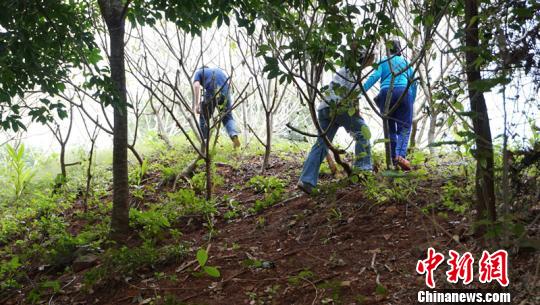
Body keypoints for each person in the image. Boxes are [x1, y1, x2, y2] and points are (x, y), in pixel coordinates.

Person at [297, 52, 375, 195]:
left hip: (324, 108)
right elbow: (354, 100)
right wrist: (355, 120)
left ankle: (306, 180)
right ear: (365, 58)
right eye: (371, 58)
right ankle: (363, 170)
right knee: (363, 132)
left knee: (321, 144)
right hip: (340, 107)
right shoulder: (355, 72)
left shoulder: (344, 69)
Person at [363, 40, 417, 170]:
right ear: (399, 50)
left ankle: (393, 159)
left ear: (388, 50)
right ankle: (400, 156)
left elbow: (374, 77)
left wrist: (361, 90)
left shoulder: (383, 61)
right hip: (404, 93)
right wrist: (411, 100)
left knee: (390, 129)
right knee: (404, 127)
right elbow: (414, 83)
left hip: (386, 93)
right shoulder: (406, 63)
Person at [193, 66, 241, 148]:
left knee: (204, 117)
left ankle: (204, 142)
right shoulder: (219, 70)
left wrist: (196, 105)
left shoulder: (199, 72)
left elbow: (196, 85)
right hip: (225, 92)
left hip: (212, 91)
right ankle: (233, 134)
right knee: (227, 117)